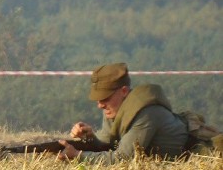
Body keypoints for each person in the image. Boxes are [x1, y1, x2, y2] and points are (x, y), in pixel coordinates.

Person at [58, 62, 188, 164]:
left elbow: (122, 159)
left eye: (105, 98)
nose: (100, 105)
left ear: (124, 91)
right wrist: (90, 138)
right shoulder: (114, 107)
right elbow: (109, 145)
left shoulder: (146, 113)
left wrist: (78, 156)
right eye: (99, 99)